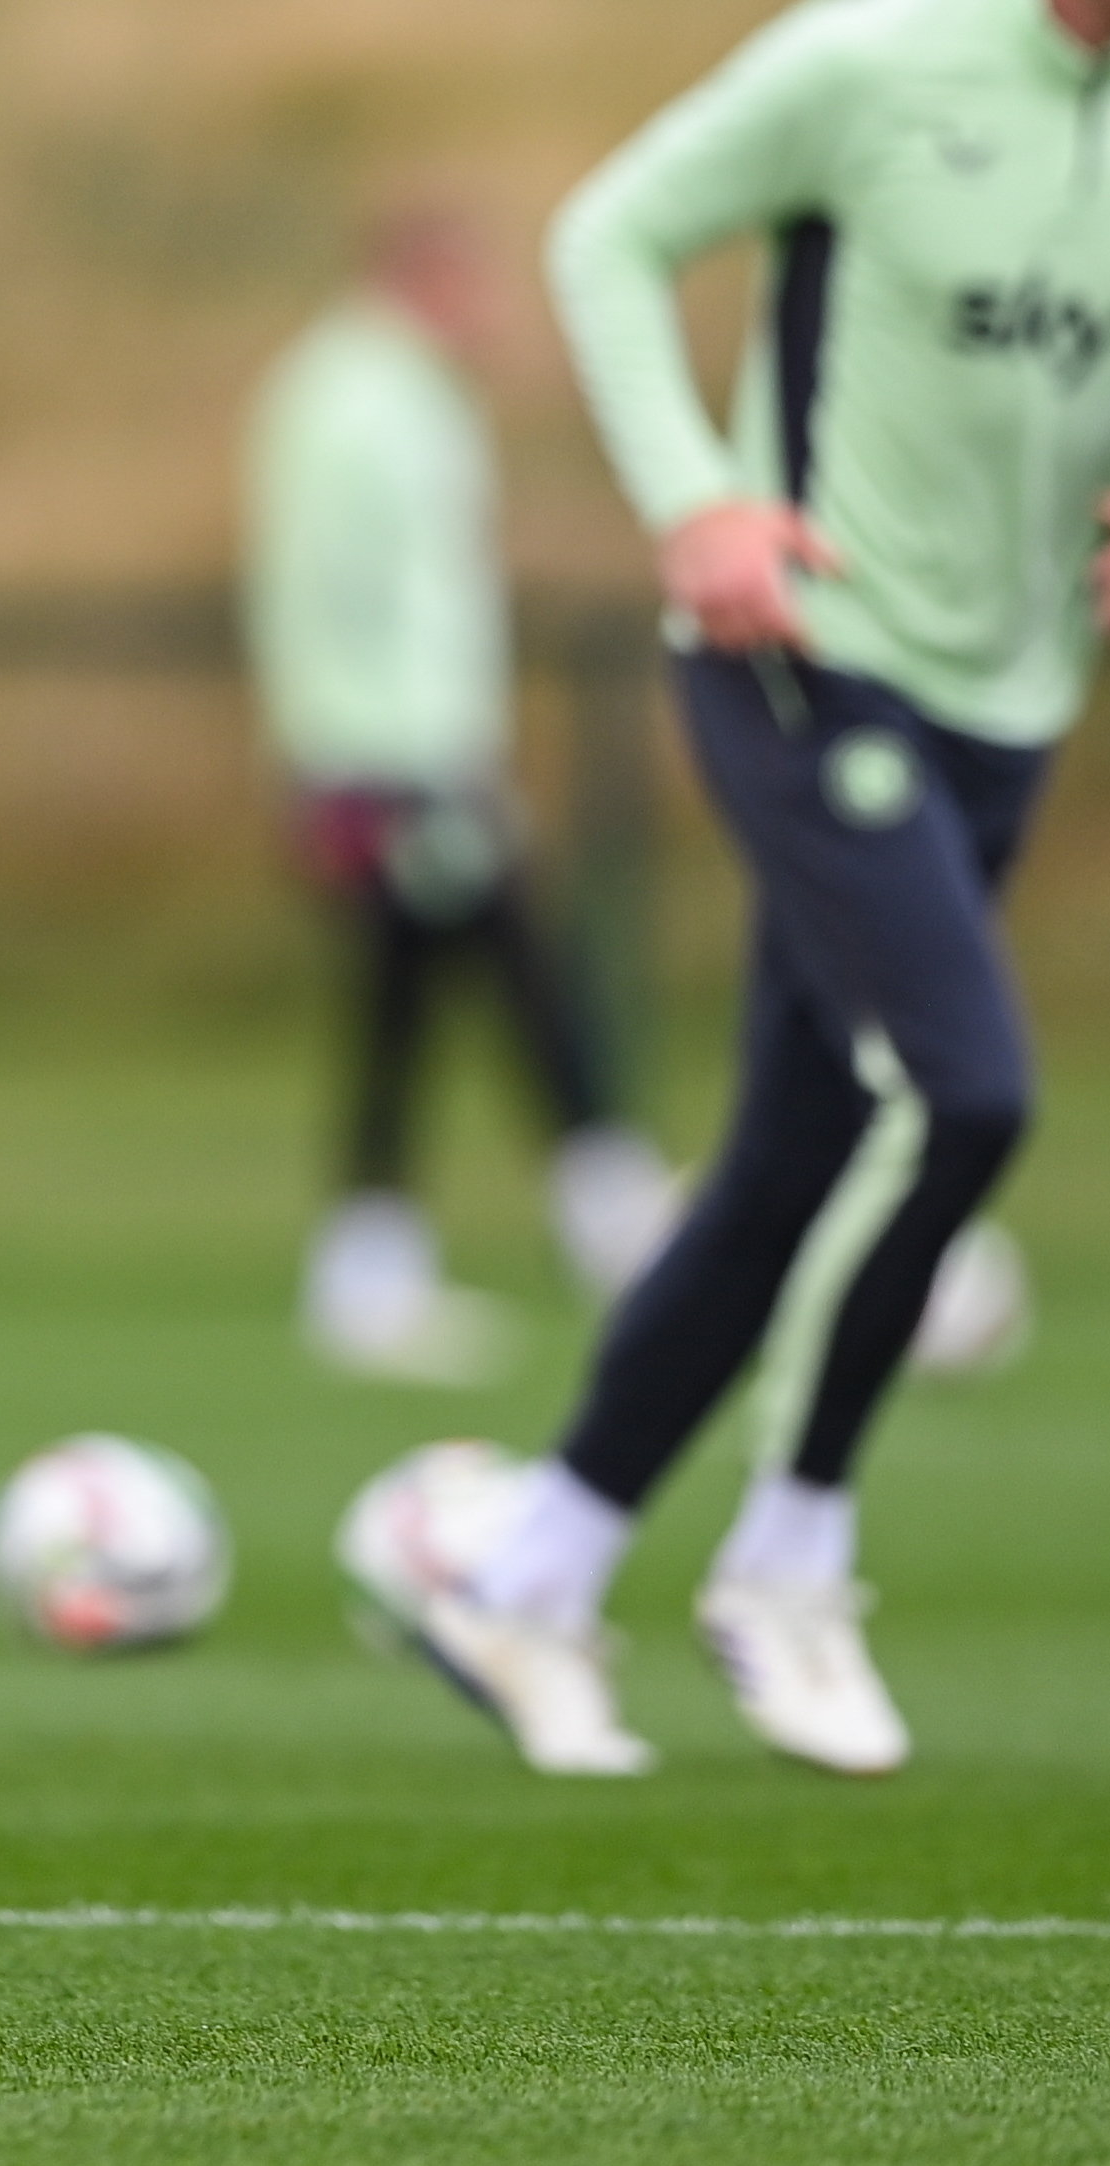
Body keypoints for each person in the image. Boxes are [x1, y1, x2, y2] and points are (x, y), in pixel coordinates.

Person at [348, 0, 1110, 1778]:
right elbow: (607, 234)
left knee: (789, 1155)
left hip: (1012, 694)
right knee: (968, 1095)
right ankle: (784, 1557)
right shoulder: (873, 57)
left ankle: (526, 1569)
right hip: (800, 658)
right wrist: (692, 502)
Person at [243, 204, 673, 1381]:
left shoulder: (403, 395)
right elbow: (327, 590)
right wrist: (360, 769)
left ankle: (384, 1261)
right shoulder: (348, 400)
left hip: (420, 755)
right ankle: (602, 1209)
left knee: (423, 991)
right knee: (497, 975)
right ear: (424, 277)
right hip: (389, 764)